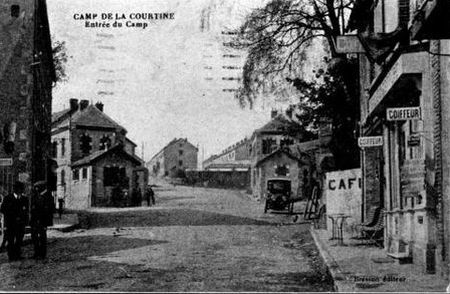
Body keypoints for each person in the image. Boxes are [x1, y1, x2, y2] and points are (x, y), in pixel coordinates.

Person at [0, 181, 27, 261]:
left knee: (19, 240)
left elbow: (26, 212)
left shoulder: (24, 199)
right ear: (15, 189)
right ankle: (11, 256)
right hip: (11, 224)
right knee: (11, 241)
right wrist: (12, 216)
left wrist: (23, 220)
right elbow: (3, 210)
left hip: (20, 224)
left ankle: (17, 255)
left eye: (21, 189)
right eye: (19, 189)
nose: (21, 191)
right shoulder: (8, 198)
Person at [30, 181, 55, 260]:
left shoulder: (48, 196)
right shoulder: (36, 196)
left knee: (42, 238)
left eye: (37, 187)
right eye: (35, 187)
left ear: (41, 187)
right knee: (34, 237)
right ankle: (36, 253)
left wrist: (46, 223)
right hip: (35, 220)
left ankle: (42, 254)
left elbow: (50, 210)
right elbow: (32, 208)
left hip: (43, 221)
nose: (36, 189)